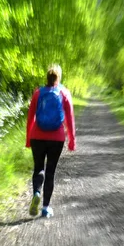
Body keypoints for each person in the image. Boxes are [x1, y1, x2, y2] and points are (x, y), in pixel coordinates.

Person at [26, 64, 76, 218]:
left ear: (46, 77)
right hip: (57, 138)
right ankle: (46, 208)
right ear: (58, 78)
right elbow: (70, 118)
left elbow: (30, 118)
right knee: (51, 171)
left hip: (37, 136)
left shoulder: (37, 93)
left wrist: (28, 139)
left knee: (38, 168)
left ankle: (36, 192)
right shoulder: (64, 93)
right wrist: (72, 140)